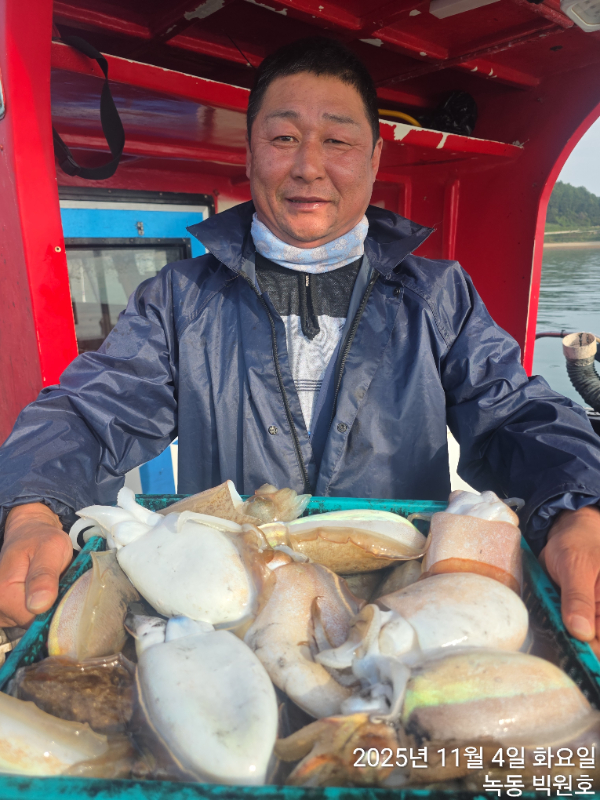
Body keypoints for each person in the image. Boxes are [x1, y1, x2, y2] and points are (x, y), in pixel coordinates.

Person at [1, 38, 600, 653]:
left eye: (337, 140)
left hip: (397, 608)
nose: (309, 167)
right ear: (250, 151)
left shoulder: (439, 296)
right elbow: (89, 412)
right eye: (284, 137)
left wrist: (577, 508)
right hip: (230, 610)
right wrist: (33, 508)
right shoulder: (179, 300)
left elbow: (514, 415)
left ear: (374, 157)